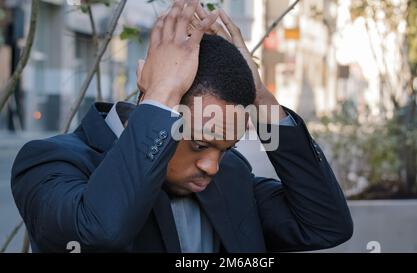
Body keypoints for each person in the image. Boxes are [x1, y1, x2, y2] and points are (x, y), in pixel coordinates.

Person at [11, 0, 352, 253]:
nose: (213, 166)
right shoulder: (49, 164)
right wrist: (159, 94)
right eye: (201, 145)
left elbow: (324, 225)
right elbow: (98, 232)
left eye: (226, 148)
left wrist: (261, 99)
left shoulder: (232, 176)